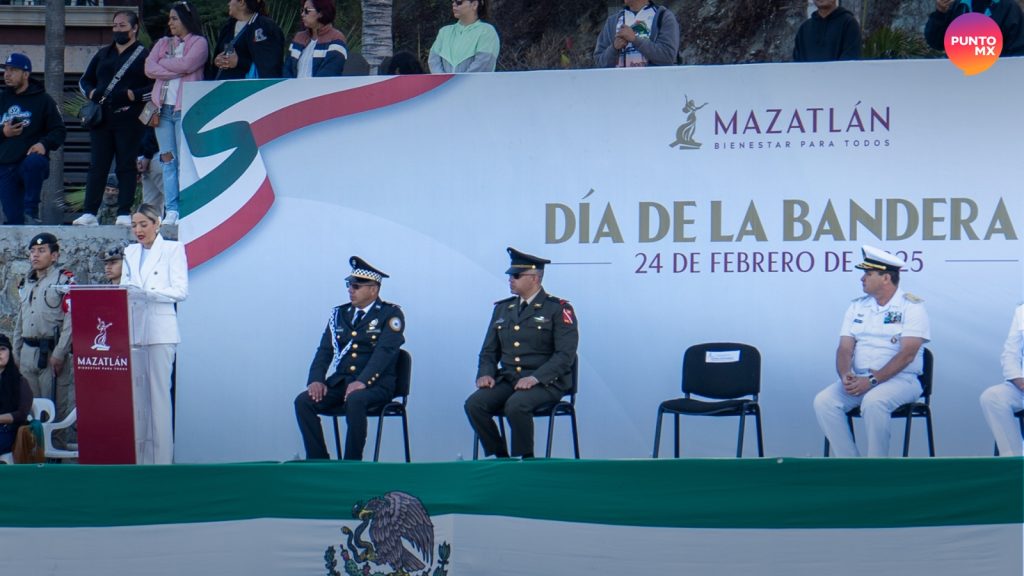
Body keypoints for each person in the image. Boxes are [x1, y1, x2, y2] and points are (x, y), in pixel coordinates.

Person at [813, 245, 930, 457]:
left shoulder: (912, 307)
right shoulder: (857, 306)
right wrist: (845, 374)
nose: (862, 279)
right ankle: (851, 464)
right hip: (861, 380)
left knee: (874, 402)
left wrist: (873, 381)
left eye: (868, 274)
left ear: (886, 278)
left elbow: (908, 354)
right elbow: (845, 348)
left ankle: (877, 466)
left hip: (901, 381)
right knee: (824, 402)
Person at [465, 248, 578, 458]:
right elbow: (489, 350)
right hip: (510, 379)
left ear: (534, 278)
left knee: (516, 405)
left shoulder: (558, 309)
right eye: (509, 275)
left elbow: (565, 355)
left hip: (546, 382)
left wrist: (535, 378)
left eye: (516, 276)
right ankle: (500, 458)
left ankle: (523, 461)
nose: (510, 280)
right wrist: (486, 373)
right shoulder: (502, 309)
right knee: (474, 404)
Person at [294, 257, 405, 460]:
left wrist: (363, 381)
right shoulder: (339, 314)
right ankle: (319, 460)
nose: (350, 290)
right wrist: (316, 379)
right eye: (349, 285)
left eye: (356, 286)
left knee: (355, 399)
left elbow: (385, 353)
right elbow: (325, 350)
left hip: (376, 385)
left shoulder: (390, 315)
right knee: (303, 401)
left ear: (373, 289)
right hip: (343, 382)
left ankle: (351, 463)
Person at [121, 204, 189, 464]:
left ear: (157, 223)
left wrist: (149, 294)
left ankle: (161, 460)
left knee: (159, 396)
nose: (138, 230)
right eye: (134, 225)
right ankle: (140, 459)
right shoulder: (129, 251)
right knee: (137, 400)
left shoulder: (173, 249)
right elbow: (123, 289)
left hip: (161, 330)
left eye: (143, 224)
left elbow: (181, 291)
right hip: (133, 330)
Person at [74, 11, 152, 227]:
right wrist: (91, 94)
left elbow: (154, 87)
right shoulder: (103, 54)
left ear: (134, 28)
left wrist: (132, 95)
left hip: (129, 118)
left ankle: (125, 212)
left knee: (126, 164)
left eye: (122, 25)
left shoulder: (144, 55)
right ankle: (90, 212)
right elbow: (85, 80)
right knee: (98, 164)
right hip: (102, 119)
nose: (117, 29)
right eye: (115, 25)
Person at [145, 1, 207, 226]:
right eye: (169, 19)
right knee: (167, 160)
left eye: (174, 18)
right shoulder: (162, 43)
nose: (170, 23)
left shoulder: (199, 42)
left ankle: (188, 206)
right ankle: (171, 209)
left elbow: (190, 64)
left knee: (184, 161)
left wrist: (165, 67)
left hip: (184, 108)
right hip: (162, 110)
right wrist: (175, 68)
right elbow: (149, 68)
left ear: (186, 20)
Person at [13, 233, 74, 447]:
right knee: (31, 410)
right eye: (32, 251)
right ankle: (35, 456)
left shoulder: (64, 280)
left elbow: (71, 319)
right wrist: (16, 351)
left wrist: (59, 353)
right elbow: (21, 318)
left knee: (54, 409)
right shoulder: (26, 282)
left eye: (41, 251)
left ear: (54, 255)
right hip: (28, 353)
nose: (35, 255)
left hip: (51, 352)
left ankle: (56, 458)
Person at [0, 53, 66, 225]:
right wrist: (3, 132)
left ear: (26, 74)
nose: (7, 74)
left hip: (31, 162)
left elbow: (59, 131)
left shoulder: (43, 100)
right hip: (5, 165)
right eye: (6, 70)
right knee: (14, 220)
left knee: (34, 162)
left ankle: (31, 211)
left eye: (13, 70)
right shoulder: (1, 98)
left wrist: (43, 144)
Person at [980, 305, 1024, 456]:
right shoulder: (1022, 311)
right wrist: (1020, 381)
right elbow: (1010, 354)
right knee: (992, 397)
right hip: (1022, 387)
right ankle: (1014, 460)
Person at [594, 0, 680, 68]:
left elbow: (667, 57)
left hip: (654, 87)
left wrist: (635, 40)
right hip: (620, 88)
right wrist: (614, 48)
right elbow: (599, 63)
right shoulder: (612, 21)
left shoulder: (663, 16)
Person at [212, 0, 285, 80]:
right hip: (224, 87)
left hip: (250, 89)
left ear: (242, 3)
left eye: (231, 0)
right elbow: (219, 53)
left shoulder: (264, 27)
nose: (228, 3)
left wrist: (239, 62)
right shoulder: (228, 27)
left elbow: (270, 66)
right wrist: (217, 61)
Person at [925, 0, 1024, 57]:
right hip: (957, 76)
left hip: (995, 79)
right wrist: (940, 13)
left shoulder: (1008, 8)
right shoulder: (955, 5)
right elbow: (935, 42)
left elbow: (1017, 52)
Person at [427, 0, 500, 73]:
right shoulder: (444, 32)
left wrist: (457, 82)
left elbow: (483, 63)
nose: (454, 5)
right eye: (453, 2)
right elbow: (433, 61)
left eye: (459, 2)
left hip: (475, 84)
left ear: (474, 4)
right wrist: (444, 81)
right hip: (446, 84)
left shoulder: (487, 31)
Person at [283, 0, 348, 78]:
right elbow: (287, 69)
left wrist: (311, 89)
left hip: (323, 89)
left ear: (320, 13)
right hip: (294, 89)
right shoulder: (299, 37)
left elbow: (330, 72)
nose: (302, 14)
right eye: (302, 10)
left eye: (307, 11)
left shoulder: (336, 38)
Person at [793, 0, 862, 62]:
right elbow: (798, 62)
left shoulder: (848, 23)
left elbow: (850, 60)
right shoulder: (804, 28)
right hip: (808, 75)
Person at [0, 334, 33, 456]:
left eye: (2, 349)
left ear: (9, 353)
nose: (0, 353)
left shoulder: (19, 381)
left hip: (7, 431)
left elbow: (22, 414)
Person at [137, 127, 165, 213]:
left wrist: (146, 156)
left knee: (150, 207)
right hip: (149, 156)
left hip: (154, 155)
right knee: (150, 208)